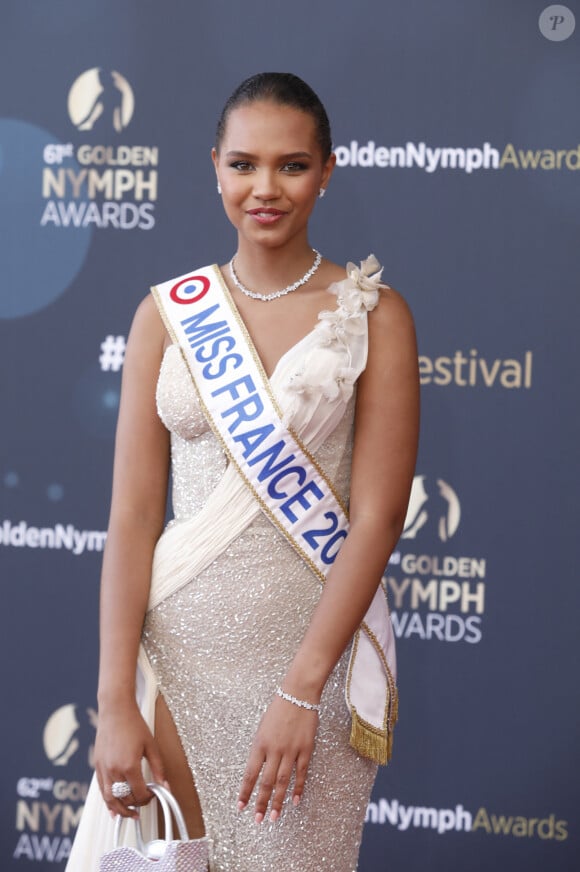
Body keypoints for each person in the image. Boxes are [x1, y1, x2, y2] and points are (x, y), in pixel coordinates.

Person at [66, 72, 419, 872]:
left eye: (292, 166)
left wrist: (300, 690)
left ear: (328, 171)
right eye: (244, 165)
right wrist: (114, 698)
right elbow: (130, 519)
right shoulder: (166, 313)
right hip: (176, 662)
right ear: (215, 168)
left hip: (310, 674)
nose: (265, 188)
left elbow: (378, 520)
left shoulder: (376, 315)